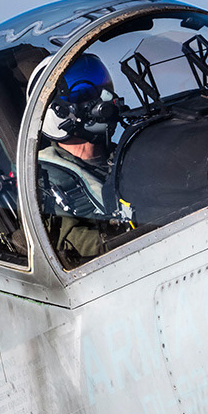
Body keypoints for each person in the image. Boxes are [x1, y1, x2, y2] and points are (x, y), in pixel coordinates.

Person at [34, 53, 125, 264]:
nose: (104, 97)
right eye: (84, 92)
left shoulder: (130, 152)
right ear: (56, 110)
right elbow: (73, 243)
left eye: (104, 86)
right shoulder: (43, 180)